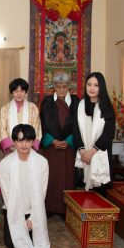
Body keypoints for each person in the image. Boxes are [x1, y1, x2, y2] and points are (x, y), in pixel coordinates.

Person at [0, 124, 50, 248]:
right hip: (14, 210)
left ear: (33, 141)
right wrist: (20, 221)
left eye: (27, 140)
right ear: (14, 142)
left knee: (36, 241)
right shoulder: (5, 164)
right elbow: (7, 196)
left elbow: (41, 194)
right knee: (12, 244)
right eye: (20, 140)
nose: (24, 144)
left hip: (34, 210)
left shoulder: (42, 162)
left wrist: (32, 219)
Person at [40, 72, 79, 215]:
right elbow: (42, 124)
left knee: (68, 178)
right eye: (58, 86)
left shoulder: (76, 102)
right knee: (51, 177)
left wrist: (69, 141)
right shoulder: (47, 102)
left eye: (64, 86)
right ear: (54, 87)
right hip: (51, 146)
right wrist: (52, 140)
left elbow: (80, 125)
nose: (61, 89)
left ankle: (65, 208)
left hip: (69, 147)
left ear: (69, 87)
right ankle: (50, 207)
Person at [73, 72, 115, 195]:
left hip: (100, 152)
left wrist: (91, 152)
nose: (91, 88)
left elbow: (109, 133)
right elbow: (76, 131)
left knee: (100, 191)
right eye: (89, 84)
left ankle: (101, 214)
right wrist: (82, 152)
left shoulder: (106, 106)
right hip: (83, 154)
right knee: (83, 193)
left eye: (96, 85)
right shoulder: (80, 105)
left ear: (101, 87)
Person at [0, 78, 42, 156]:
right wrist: (11, 147)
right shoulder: (5, 109)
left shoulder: (33, 108)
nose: (19, 94)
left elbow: (36, 128)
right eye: (16, 91)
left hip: (29, 149)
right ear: (11, 93)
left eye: (22, 91)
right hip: (10, 150)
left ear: (26, 92)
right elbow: (1, 130)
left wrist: (27, 146)